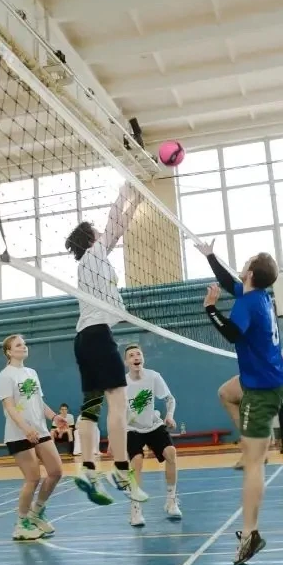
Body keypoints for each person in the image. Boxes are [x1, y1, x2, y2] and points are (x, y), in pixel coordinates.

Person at [199, 240, 283, 565]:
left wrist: (210, 309)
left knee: (253, 465)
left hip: (263, 389)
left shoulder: (249, 304)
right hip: (269, 377)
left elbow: (233, 334)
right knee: (226, 393)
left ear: (250, 273)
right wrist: (210, 256)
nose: (242, 265)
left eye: (246, 262)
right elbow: (229, 282)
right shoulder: (259, 294)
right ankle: (256, 440)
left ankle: (250, 534)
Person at [65, 182, 148, 506]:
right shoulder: (94, 254)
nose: (103, 234)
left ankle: (87, 469)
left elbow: (117, 225)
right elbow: (116, 221)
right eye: (97, 233)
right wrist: (130, 189)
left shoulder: (88, 264)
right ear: (91, 240)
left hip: (83, 339)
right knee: (118, 403)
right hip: (98, 336)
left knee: (90, 407)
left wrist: (135, 198)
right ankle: (121, 470)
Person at [0, 334, 66, 541]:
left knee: (56, 472)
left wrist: (54, 417)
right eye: (18, 345)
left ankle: (36, 512)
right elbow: (9, 407)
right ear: (9, 352)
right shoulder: (5, 376)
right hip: (19, 433)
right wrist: (25, 428)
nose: (24, 347)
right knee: (33, 478)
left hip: (40, 430)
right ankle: (21, 524)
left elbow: (38, 402)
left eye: (24, 344)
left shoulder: (31, 373)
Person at [122, 343, 182, 527]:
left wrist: (169, 415)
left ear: (143, 358)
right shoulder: (122, 383)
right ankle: (135, 510)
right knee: (137, 461)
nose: (136, 357)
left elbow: (170, 399)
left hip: (152, 424)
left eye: (138, 354)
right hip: (131, 428)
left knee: (171, 453)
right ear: (126, 362)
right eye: (131, 355)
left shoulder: (153, 376)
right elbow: (115, 412)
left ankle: (171, 501)